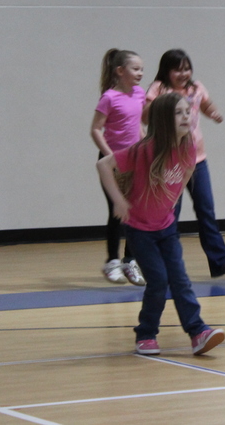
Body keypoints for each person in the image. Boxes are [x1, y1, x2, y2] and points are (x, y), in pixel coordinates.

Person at [97, 92, 225, 356]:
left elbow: (187, 171)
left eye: (187, 111)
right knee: (158, 281)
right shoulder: (143, 150)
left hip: (166, 228)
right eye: (178, 113)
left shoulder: (188, 147)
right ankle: (146, 334)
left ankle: (197, 331)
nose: (186, 116)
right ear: (164, 120)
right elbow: (103, 165)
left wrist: (172, 200)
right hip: (140, 230)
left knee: (180, 280)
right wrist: (119, 201)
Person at [144, 49, 225, 278]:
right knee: (169, 213)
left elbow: (206, 105)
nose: (184, 74)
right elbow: (144, 116)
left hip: (197, 160)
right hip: (169, 162)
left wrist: (214, 112)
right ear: (167, 71)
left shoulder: (195, 88)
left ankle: (219, 261)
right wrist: (160, 106)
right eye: (178, 70)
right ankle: (164, 265)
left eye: (187, 69)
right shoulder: (159, 88)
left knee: (206, 209)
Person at [90, 48, 147, 286]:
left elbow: (138, 126)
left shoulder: (140, 94)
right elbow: (95, 129)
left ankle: (129, 261)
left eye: (142, 69)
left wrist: (146, 149)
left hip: (135, 161)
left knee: (135, 213)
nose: (140, 73)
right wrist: (111, 156)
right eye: (135, 69)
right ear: (120, 71)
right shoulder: (109, 97)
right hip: (113, 162)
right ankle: (112, 262)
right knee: (118, 211)